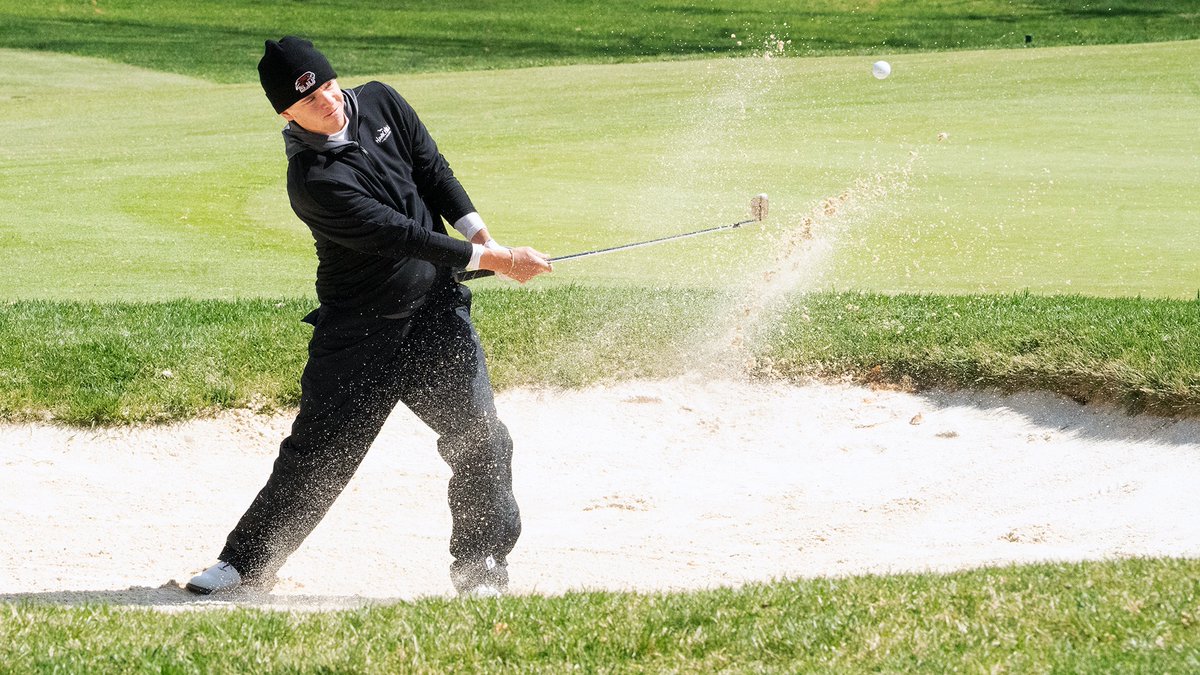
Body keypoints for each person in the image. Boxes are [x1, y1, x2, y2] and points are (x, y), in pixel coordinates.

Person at [186, 36, 552, 598]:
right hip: (360, 330)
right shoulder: (312, 179)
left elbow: (433, 171)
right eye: (309, 101)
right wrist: (497, 262)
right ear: (286, 112)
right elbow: (399, 235)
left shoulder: (381, 102)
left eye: (328, 86)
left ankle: (480, 571)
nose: (328, 102)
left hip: (435, 314)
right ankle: (247, 563)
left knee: (482, 438)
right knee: (318, 455)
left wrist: (486, 239)